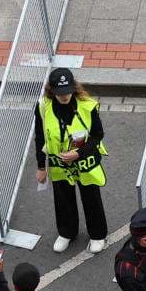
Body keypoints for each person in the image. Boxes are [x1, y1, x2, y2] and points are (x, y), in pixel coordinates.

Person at [32, 68, 108, 255]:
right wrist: (41, 167)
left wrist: (79, 153)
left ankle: (98, 235)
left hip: (84, 161)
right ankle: (67, 232)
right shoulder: (43, 106)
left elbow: (98, 135)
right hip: (59, 163)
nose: (64, 96)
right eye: (60, 93)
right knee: (62, 198)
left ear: (73, 88)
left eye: (67, 91)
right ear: (51, 90)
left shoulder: (87, 106)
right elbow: (40, 138)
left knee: (91, 197)